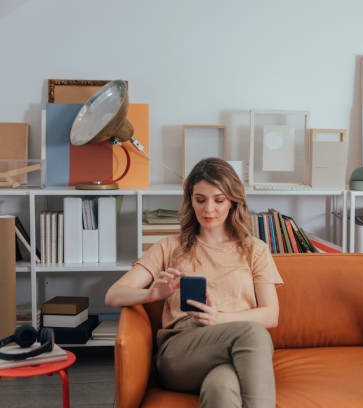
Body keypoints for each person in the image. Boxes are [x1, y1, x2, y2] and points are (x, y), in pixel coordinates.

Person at [105, 157, 283, 408]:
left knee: (222, 387)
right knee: (253, 334)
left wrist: (216, 319)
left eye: (218, 200)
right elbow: (113, 295)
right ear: (190, 200)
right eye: (200, 200)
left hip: (233, 349)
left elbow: (271, 314)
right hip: (182, 351)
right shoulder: (170, 246)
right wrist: (152, 294)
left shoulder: (256, 250)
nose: (209, 209)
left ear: (233, 201)